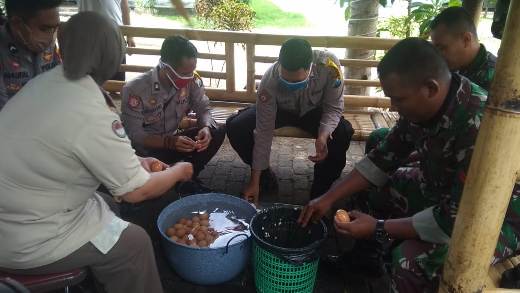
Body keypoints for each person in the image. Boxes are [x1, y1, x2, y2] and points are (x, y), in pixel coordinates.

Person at [298, 38, 520, 292]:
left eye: (398, 99)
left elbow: (453, 220)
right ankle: (365, 263)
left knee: (409, 260)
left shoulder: (479, 129)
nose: (393, 107)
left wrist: (377, 227)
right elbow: (382, 159)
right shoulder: (421, 107)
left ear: (430, 88)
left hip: (496, 218)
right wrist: (328, 198)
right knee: (366, 188)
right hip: (445, 192)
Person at [0, 12, 193, 293]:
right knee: (134, 244)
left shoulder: (46, 83)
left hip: (18, 211)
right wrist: (179, 171)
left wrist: (138, 160)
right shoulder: (90, 108)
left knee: (108, 205)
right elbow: (137, 192)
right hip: (26, 240)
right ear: (112, 57)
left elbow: (78, 147)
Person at [226, 38, 354, 203]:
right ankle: (264, 176)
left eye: (297, 81)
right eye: (286, 81)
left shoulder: (329, 67)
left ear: (311, 68)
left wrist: (323, 134)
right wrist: (254, 181)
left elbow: (333, 107)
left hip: (314, 111)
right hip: (281, 110)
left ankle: (321, 192)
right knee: (237, 126)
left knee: (342, 132)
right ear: (279, 66)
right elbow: (263, 131)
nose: (291, 85)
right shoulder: (270, 79)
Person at [121, 35, 225, 178]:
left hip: (174, 142)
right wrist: (169, 142)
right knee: (150, 194)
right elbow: (134, 134)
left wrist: (205, 127)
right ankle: (170, 178)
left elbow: (203, 108)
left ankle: (188, 178)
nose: (189, 77)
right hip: (144, 153)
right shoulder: (135, 89)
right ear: (165, 66)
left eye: (192, 71)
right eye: (183, 73)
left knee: (217, 131)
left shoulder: (193, 81)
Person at [0, 0, 62, 111]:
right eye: (44, 29)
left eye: (54, 28)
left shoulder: (47, 45)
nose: (50, 37)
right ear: (17, 24)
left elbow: (58, 79)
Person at [431, 6, 496, 92]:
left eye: (442, 48)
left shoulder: (497, 78)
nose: (438, 56)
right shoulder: (458, 65)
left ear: (466, 40)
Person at [78, 0, 134, 81]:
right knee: (89, 82)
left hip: (114, 35)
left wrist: (130, 35)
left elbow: (124, 4)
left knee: (116, 82)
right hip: (88, 36)